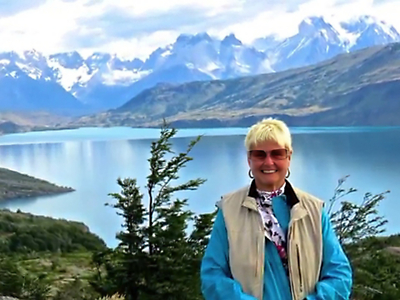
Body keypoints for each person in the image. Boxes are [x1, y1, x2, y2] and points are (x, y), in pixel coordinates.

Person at [200, 118, 352, 300]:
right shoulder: (229, 210)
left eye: (277, 153)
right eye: (259, 154)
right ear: (249, 159)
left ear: (289, 157)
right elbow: (212, 276)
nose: (268, 162)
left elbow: (339, 273)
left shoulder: (313, 209)